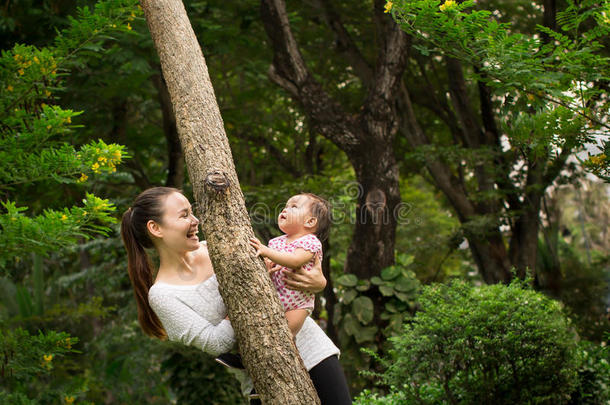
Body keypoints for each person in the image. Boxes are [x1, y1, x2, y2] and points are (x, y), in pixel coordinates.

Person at [120, 187, 351, 404]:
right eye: (184, 216)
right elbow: (216, 342)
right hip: (265, 380)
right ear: (155, 228)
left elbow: (292, 267)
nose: (196, 220)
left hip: (314, 352)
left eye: (192, 212)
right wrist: (243, 301)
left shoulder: (216, 247)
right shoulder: (163, 295)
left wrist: (318, 283)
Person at [249, 193, 331, 337]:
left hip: (298, 304)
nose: (285, 210)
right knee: (259, 330)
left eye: (293, 206)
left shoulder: (310, 241)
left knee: (284, 335)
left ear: (310, 222)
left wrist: (266, 251)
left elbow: (295, 260)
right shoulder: (276, 242)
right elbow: (271, 264)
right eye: (286, 206)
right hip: (275, 296)